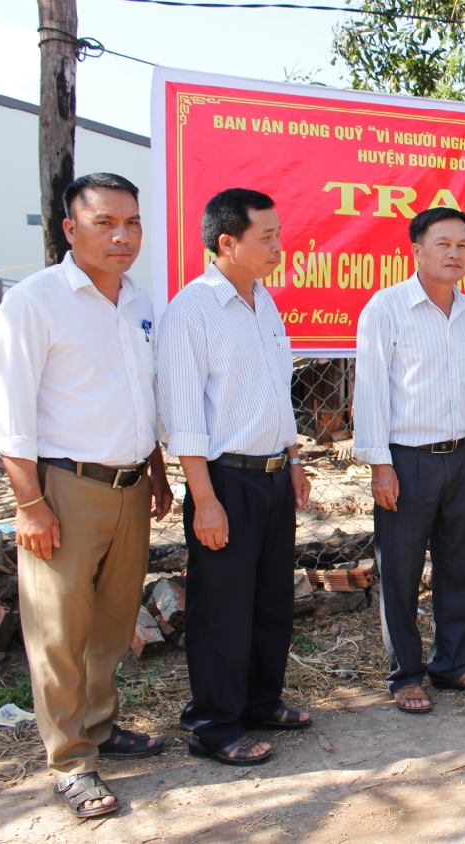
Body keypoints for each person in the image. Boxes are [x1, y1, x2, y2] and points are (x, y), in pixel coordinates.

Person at [0, 173, 173, 818]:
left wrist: (155, 467)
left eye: (132, 223)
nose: (122, 236)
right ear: (71, 229)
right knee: (58, 629)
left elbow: (141, 394)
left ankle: (99, 724)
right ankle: (70, 760)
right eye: (104, 223)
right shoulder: (35, 302)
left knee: (112, 621)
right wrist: (29, 503)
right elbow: (10, 415)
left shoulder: (138, 300)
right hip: (62, 488)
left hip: (129, 487)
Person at [158, 188, 312, 766]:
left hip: (272, 475)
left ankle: (260, 700)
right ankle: (214, 724)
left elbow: (278, 392)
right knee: (222, 607)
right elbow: (184, 417)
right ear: (227, 243)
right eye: (266, 237)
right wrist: (204, 500)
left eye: (278, 233)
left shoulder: (262, 302)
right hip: (224, 481)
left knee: (271, 599)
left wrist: (293, 461)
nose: (279, 246)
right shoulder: (191, 311)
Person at [353, 207, 465, 712]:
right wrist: (379, 464)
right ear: (416, 249)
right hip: (407, 460)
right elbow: (371, 390)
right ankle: (406, 676)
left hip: (459, 458)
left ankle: (451, 665)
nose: (455, 254)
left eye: (463, 244)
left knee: (458, 568)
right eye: (443, 244)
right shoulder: (386, 308)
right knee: (399, 570)